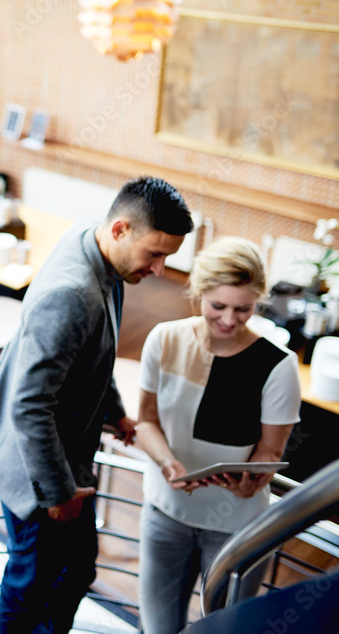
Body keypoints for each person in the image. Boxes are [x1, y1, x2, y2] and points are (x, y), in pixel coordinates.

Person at [0, 176, 194, 633]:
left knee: (75, 569)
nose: (159, 270)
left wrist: (116, 414)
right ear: (120, 230)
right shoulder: (73, 294)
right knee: (30, 584)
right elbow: (30, 405)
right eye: (155, 254)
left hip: (65, 461)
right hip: (39, 471)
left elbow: (93, 357)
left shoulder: (93, 243)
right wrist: (57, 494)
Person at [135, 236, 300, 634]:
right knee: (158, 627)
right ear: (199, 292)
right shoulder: (164, 339)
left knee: (226, 629)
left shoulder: (279, 365)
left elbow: (270, 449)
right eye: (218, 306)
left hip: (237, 524)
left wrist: (251, 481)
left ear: (258, 301)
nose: (229, 320)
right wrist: (167, 463)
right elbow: (145, 421)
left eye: (243, 309)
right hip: (165, 510)